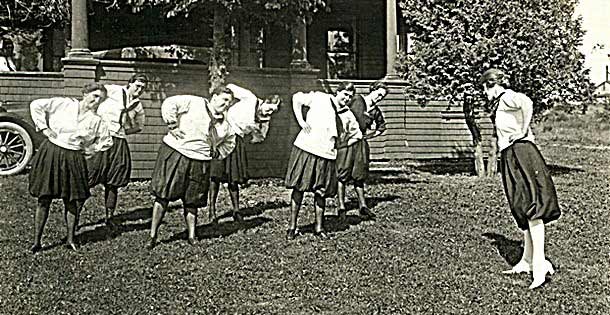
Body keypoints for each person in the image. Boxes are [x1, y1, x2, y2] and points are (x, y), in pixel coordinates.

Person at [480, 68, 561, 289]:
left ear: (491, 85)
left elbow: (527, 102)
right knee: (521, 207)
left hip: (522, 152)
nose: (484, 94)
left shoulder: (507, 97)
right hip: (511, 154)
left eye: (484, 89)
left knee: (532, 207)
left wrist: (523, 130)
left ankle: (539, 267)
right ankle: (526, 261)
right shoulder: (501, 102)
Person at [147, 86, 236, 249]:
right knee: (163, 195)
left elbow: (230, 142)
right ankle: (152, 235)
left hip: (200, 160)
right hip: (177, 152)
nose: (226, 104)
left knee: (193, 200)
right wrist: (172, 125)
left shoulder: (226, 123)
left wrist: (217, 153)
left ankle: (192, 236)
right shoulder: (194, 102)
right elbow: (169, 103)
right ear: (214, 97)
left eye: (229, 102)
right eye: (224, 100)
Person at [28, 83, 113, 252]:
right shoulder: (64, 104)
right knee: (44, 198)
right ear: (85, 93)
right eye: (94, 96)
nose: (96, 101)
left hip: (74, 158)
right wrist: (44, 128)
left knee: (72, 200)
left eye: (101, 99)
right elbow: (36, 105)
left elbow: (106, 141)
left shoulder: (97, 121)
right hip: (52, 152)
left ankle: (70, 239)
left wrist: (90, 150)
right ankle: (37, 241)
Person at [285, 82, 355, 240]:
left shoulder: (345, 113)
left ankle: (319, 227)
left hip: (326, 154)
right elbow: (296, 98)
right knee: (298, 188)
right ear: (338, 92)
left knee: (321, 192)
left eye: (350, 97)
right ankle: (292, 227)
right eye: (345, 94)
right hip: (306, 148)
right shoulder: (320, 98)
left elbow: (353, 134)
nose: (347, 98)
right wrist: (301, 122)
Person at [208, 84, 281, 223]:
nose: (269, 113)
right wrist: (226, 107)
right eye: (269, 109)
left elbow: (259, 138)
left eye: (273, 112)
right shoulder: (250, 98)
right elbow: (229, 87)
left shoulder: (264, 120)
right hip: (222, 136)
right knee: (215, 175)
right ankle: (212, 212)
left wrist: (257, 129)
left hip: (236, 141)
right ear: (265, 101)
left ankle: (236, 211)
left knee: (233, 178)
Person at [86, 73, 148, 227]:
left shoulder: (137, 105)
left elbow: (139, 126)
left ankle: (109, 217)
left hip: (118, 141)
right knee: (89, 175)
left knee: (113, 181)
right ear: (130, 83)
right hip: (101, 137)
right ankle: (75, 212)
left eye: (143, 88)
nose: (139, 90)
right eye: (137, 86)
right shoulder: (114, 90)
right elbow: (93, 94)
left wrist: (123, 131)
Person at [337, 81, 388, 221]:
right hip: (346, 142)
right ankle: (341, 207)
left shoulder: (375, 111)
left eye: (382, 97)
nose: (379, 98)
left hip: (360, 144)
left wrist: (369, 136)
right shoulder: (356, 99)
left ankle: (363, 206)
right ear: (372, 90)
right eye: (378, 94)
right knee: (342, 173)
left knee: (359, 175)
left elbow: (381, 127)